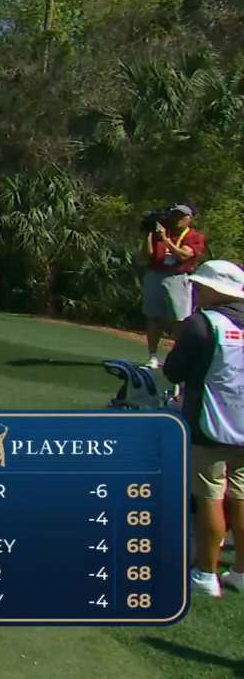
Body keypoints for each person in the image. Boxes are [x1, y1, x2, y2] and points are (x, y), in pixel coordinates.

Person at [164, 260, 244, 598]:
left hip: (209, 424)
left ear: (214, 289)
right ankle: (241, 572)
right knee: (240, 494)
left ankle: (206, 573)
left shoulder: (203, 324)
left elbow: (173, 371)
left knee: (210, 494)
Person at [144, 204, 207, 368]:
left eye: (182, 216)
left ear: (190, 219)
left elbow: (183, 255)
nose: (178, 219)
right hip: (155, 274)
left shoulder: (194, 236)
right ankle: (152, 356)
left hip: (177, 277)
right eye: (175, 215)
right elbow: (148, 254)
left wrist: (165, 240)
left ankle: (178, 358)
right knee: (154, 316)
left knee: (179, 319)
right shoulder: (161, 232)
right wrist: (149, 235)